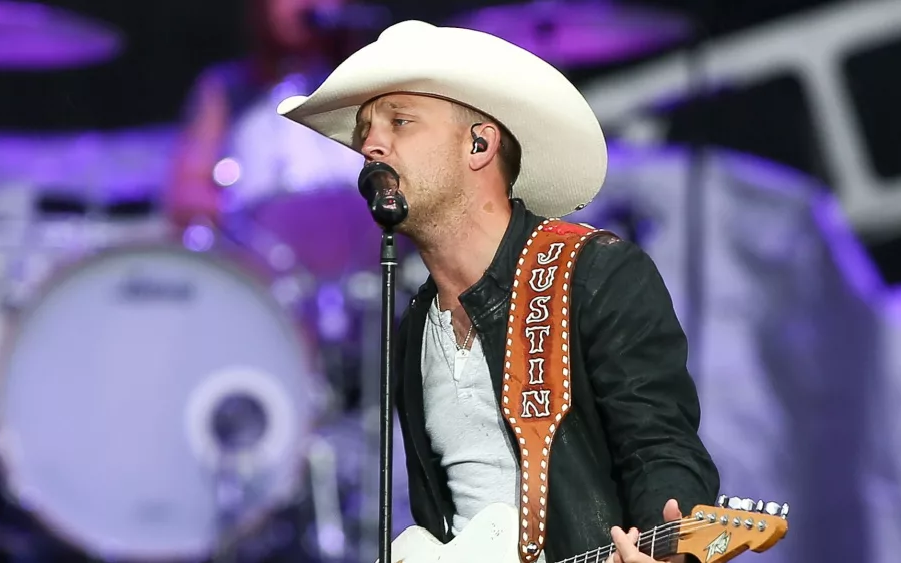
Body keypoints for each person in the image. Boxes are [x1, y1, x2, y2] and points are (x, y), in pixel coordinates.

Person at [275, 20, 720, 563]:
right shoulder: (415, 321)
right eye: (365, 129)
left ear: (479, 143)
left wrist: (669, 538)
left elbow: (660, 446)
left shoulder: (594, 273)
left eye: (400, 121)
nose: (370, 144)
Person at [166, 0, 366, 229]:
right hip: (258, 256)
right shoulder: (226, 89)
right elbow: (187, 192)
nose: (304, 4)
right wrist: (240, 222)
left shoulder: (367, 86)